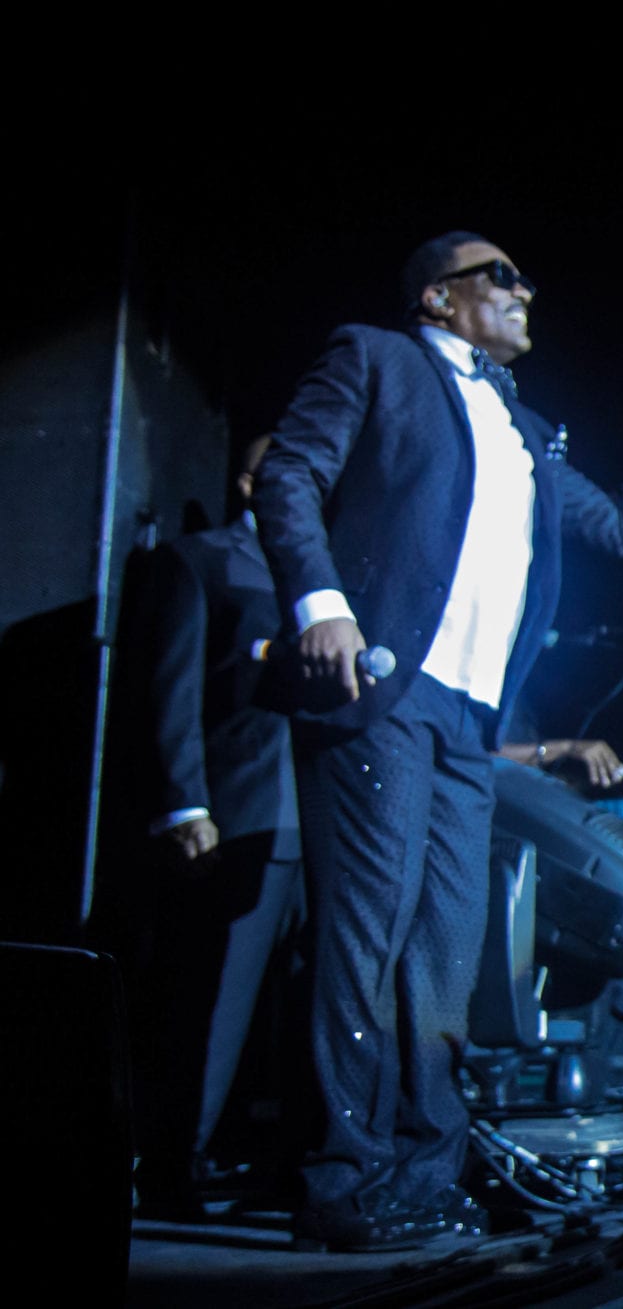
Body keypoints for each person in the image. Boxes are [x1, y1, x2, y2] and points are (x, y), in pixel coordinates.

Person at [252, 230, 623, 1250]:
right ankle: (342, 1180)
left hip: (469, 720)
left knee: (447, 950)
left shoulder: (527, 428)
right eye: (500, 276)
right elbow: (289, 477)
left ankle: (422, 1172)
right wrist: (322, 605)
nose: (523, 290)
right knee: (367, 935)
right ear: (438, 298)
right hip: (383, 686)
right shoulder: (376, 357)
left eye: (525, 278)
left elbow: (617, 524)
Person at [130, 434, 304, 1217]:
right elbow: (170, 687)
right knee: (214, 1003)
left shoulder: (321, 577)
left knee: (303, 1010)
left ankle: (281, 1166)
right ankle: (175, 1166)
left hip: (317, 825)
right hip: (241, 812)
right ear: (247, 483)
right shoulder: (201, 560)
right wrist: (185, 803)